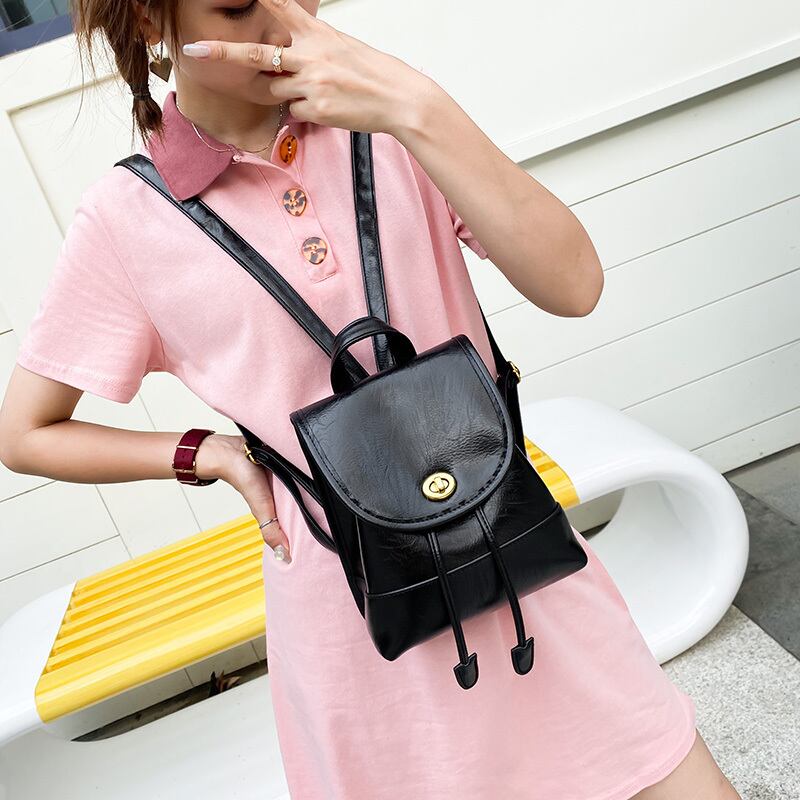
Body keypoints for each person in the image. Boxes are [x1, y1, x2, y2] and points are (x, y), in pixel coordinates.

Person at [0, 1, 741, 797]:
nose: (285, 21)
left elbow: (575, 284)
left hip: (520, 558)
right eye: (240, 5)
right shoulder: (127, 221)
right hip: (356, 632)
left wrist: (416, 107)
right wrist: (206, 454)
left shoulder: (390, 122)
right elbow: (26, 431)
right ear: (151, 21)